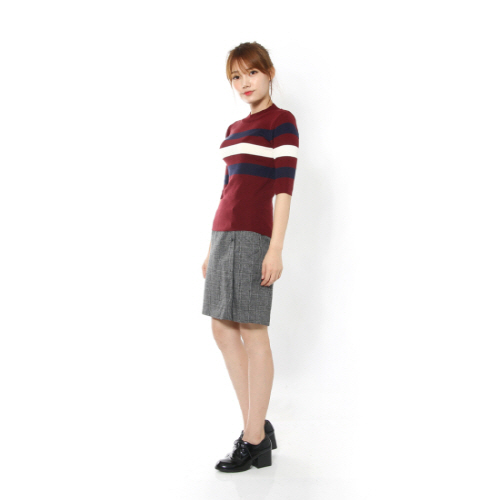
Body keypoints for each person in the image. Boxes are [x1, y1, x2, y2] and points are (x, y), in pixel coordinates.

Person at [201, 42, 299, 472]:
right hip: (223, 235)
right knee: (222, 329)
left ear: (269, 72)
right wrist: (211, 248)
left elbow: (284, 189)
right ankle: (255, 424)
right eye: (236, 77)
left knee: (252, 331)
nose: (244, 83)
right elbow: (228, 188)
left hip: (254, 237)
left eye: (251, 73)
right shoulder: (234, 127)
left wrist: (275, 248)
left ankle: (254, 438)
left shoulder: (281, 121)